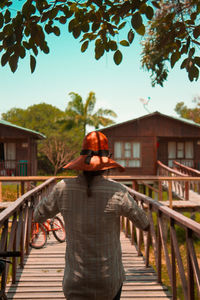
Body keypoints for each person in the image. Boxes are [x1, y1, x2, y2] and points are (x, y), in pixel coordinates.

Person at [33, 131, 150, 300]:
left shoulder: (62, 188)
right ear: (106, 162)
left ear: (81, 161)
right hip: (108, 282)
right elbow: (144, 223)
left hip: (75, 281)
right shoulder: (117, 191)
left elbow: (37, 216)